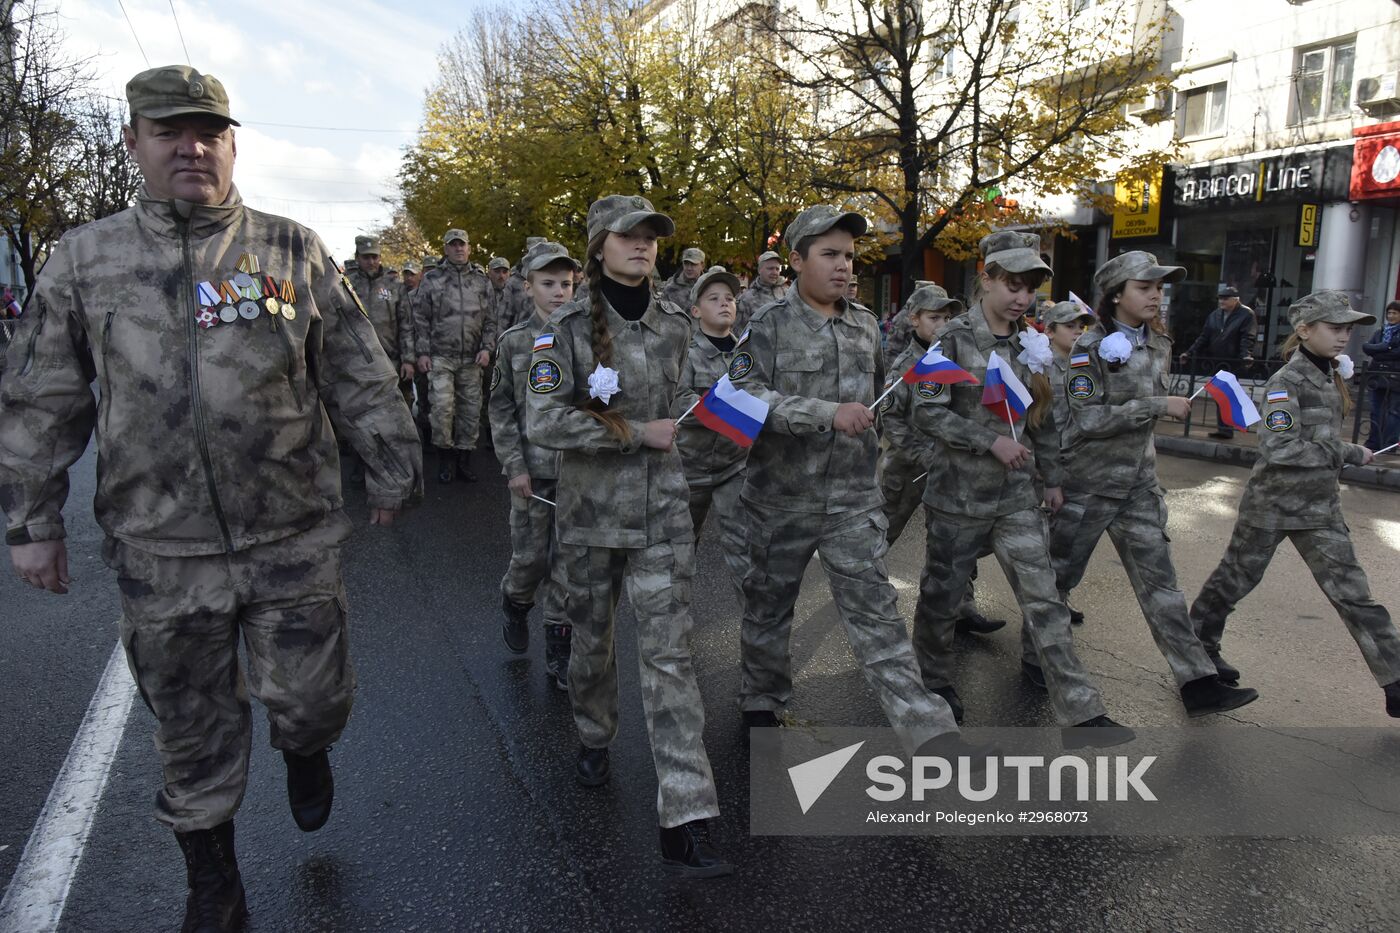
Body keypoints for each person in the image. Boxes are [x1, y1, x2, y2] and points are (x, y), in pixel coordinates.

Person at [0, 65, 421, 933]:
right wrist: (31, 521)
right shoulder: (86, 260)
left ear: (233, 143)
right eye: (168, 131)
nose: (191, 146)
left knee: (312, 700)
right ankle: (214, 882)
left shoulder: (290, 249)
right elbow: (43, 397)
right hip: (162, 549)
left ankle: (306, 750)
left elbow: (356, 368)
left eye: (209, 132)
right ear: (134, 143)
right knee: (190, 730)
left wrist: (391, 462)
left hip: (291, 536)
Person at [526, 194, 730, 877]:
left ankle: (687, 813)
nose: (643, 245)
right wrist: (632, 432)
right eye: (628, 235)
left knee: (670, 659)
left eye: (651, 236)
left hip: (663, 517)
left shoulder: (676, 322)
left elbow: (707, 397)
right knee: (593, 644)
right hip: (590, 517)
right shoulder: (564, 331)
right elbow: (543, 423)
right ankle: (592, 730)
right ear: (598, 244)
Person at [726, 204, 963, 750]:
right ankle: (762, 695)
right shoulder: (766, 325)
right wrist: (822, 412)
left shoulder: (863, 327)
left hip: (853, 498)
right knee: (768, 606)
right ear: (796, 260)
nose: (843, 267)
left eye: (849, 257)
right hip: (780, 497)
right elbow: (742, 395)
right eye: (829, 254)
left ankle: (926, 729)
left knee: (877, 614)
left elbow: (880, 394)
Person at [906, 231, 1124, 737]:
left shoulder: (1033, 344)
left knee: (1044, 596)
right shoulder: (953, 340)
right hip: (958, 497)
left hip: (1016, 497)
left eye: (1030, 288)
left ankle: (1081, 709)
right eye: (1012, 285)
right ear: (987, 280)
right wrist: (989, 442)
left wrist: (1051, 478)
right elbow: (926, 410)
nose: (1022, 297)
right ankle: (934, 684)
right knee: (943, 595)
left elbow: (1040, 416)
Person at [1047, 252, 1260, 714]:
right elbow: (1085, 420)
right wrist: (1156, 406)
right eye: (1145, 287)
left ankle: (1197, 683)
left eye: (1159, 288)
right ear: (1116, 294)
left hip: (1139, 487)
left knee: (1162, 586)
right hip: (1088, 484)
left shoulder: (1158, 343)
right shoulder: (1088, 348)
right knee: (1058, 579)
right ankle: (1034, 657)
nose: (1155, 296)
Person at [1190, 291, 1400, 715]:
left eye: (1348, 329)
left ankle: (1396, 683)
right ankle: (1198, 655)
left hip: (1319, 509)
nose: (1344, 337)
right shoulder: (1286, 381)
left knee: (1356, 598)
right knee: (1231, 584)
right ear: (1305, 330)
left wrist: (1339, 452)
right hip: (1272, 506)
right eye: (1335, 328)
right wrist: (1346, 451)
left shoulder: (1329, 375)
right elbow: (1281, 448)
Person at [874, 283, 1002, 637]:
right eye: (934, 317)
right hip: (906, 468)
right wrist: (920, 454)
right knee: (883, 531)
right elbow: (891, 420)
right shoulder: (905, 365)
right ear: (914, 319)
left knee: (953, 538)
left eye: (948, 317)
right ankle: (866, 591)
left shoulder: (953, 358)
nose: (943, 324)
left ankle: (962, 606)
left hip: (947, 468)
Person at [491, 241, 578, 689]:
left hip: (577, 472)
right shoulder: (515, 343)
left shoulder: (587, 337)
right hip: (531, 470)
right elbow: (502, 408)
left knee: (567, 564)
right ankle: (515, 600)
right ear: (528, 288)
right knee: (529, 559)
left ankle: (559, 653)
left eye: (566, 283)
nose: (560, 292)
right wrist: (513, 466)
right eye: (549, 283)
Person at [672, 265, 751, 598]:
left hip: (736, 466)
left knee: (746, 552)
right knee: (679, 553)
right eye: (714, 298)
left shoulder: (746, 354)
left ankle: (759, 632)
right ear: (695, 310)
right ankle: (673, 629)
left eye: (730, 298)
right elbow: (679, 400)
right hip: (690, 468)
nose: (724, 304)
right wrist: (731, 412)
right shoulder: (686, 352)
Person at [413, 229, 496, 483]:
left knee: (471, 411)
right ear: (446, 249)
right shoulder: (432, 280)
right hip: (441, 356)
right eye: (453, 245)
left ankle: (464, 459)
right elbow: (420, 319)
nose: (459, 249)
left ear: (469, 248)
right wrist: (423, 352)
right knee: (441, 410)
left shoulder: (482, 282)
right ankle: (445, 459)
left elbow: (492, 319)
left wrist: (487, 348)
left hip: (472, 357)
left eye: (463, 245)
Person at [1182, 286, 1256, 439]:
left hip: (1233, 360)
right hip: (1217, 359)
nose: (1221, 301)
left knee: (1228, 394)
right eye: (1220, 298)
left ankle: (1231, 427)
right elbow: (1204, 337)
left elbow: (1247, 337)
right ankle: (1224, 429)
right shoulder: (1215, 315)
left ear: (1236, 300)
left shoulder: (1246, 314)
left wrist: (1246, 355)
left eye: (1225, 298)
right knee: (1221, 394)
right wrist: (1189, 353)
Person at [1361, 300, 1400, 451]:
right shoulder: (1381, 331)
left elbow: (1398, 353)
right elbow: (1367, 347)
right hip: (1377, 376)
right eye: (1389, 313)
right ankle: (1374, 442)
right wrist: (1388, 346)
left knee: (1393, 412)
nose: (1391, 316)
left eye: (1395, 313)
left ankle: (1389, 444)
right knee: (1375, 411)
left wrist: (1380, 351)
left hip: (1396, 377)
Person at [735, 249, 784, 333]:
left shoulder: (786, 293)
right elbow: (739, 332)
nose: (775, 272)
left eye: (777, 269)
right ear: (759, 270)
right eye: (770, 268)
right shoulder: (747, 299)